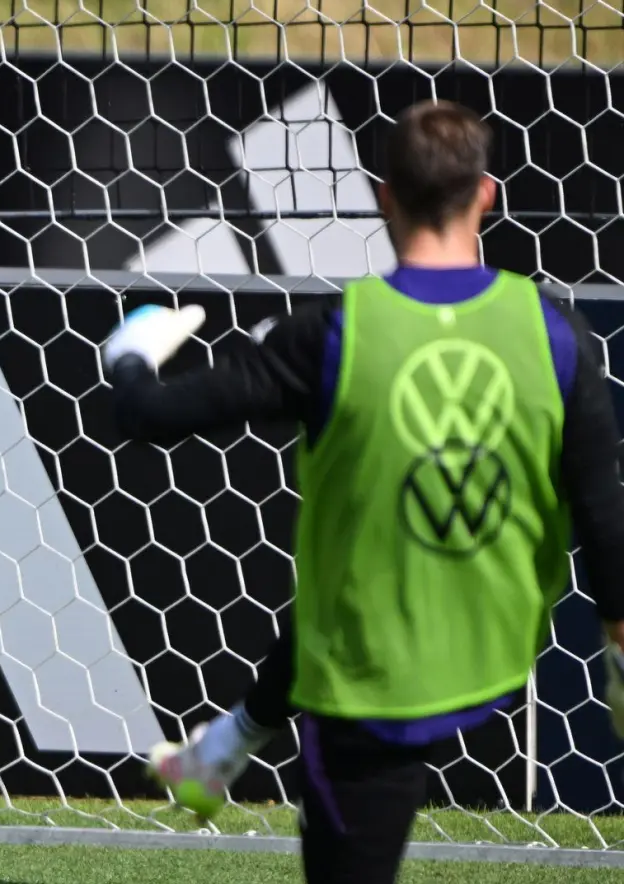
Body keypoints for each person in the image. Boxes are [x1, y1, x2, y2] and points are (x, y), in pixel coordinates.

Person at [102, 100, 624, 883]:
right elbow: (604, 516)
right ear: (485, 194)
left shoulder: (330, 336)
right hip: (494, 649)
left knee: (354, 591)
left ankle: (223, 751)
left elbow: (147, 416)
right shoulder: (558, 334)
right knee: (360, 562)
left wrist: (134, 348)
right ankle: (223, 749)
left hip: (373, 681)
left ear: (384, 196)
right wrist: (618, 653)